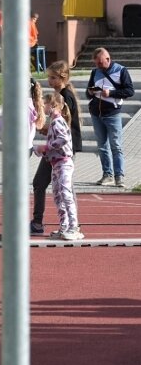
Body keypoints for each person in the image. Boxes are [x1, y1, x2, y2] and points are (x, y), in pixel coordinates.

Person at [31, 61, 83, 235]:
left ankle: (70, 224)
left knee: (61, 187)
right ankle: (66, 223)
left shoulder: (63, 98)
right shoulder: (60, 96)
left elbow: (62, 132)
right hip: (58, 151)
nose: (49, 81)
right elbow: (58, 129)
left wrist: (45, 144)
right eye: (49, 77)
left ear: (63, 77)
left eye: (53, 77)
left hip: (62, 153)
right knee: (59, 187)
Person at [87, 47, 135, 188]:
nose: (99, 67)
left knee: (116, 146)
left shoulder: (121, 70)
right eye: (96, 64)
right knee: (102, 147)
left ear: (108, 59)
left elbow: (129, 91)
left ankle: (119, 176)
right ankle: (107, 174)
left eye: (101, 63)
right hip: (96, 112)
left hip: (112, 113)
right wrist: (90, 92)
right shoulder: (95, 71)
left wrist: (112, 93)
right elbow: (88, 91)